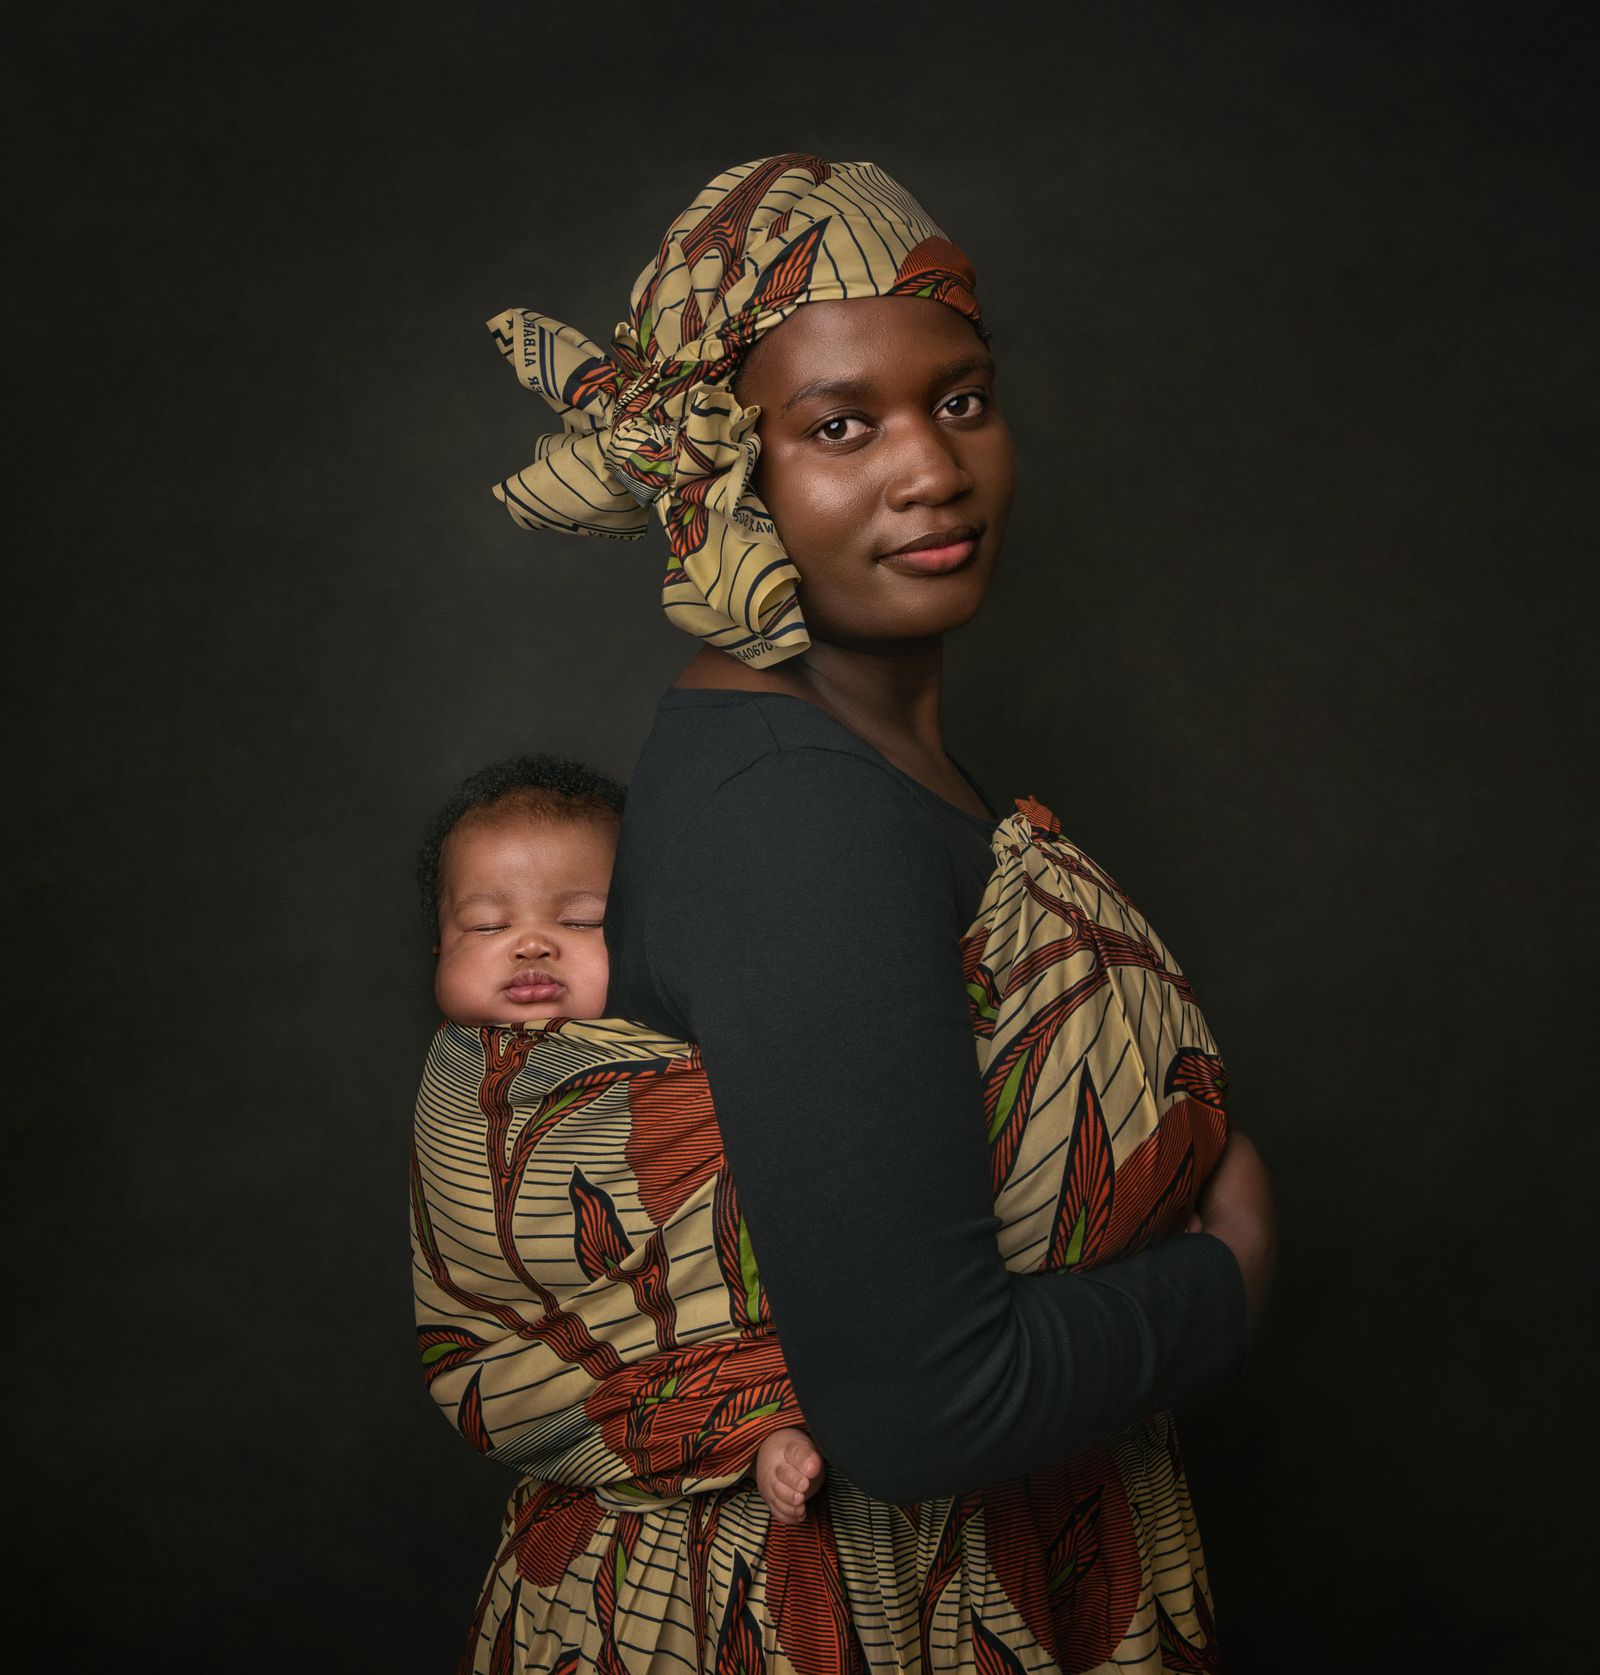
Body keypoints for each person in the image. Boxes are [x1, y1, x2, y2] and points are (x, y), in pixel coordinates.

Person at [416, 153, 1276, 1672]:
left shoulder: (877, 753)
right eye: (837, 426)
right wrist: (1225, 1275)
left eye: (960, 399)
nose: (931, 470)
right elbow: (925, 1406)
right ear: (720, 475)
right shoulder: (798, 808)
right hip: (846, 1616)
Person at [417, 752, 829, 1527]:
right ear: (439, 948)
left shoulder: (675, 1036)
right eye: (487, 924)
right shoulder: (460, 1082)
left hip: (752, 1331)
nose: (533, 944)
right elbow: (482, 1263)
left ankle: (760, 1422)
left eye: (582, 921)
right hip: (568, 1369)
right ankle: (744, 1426)